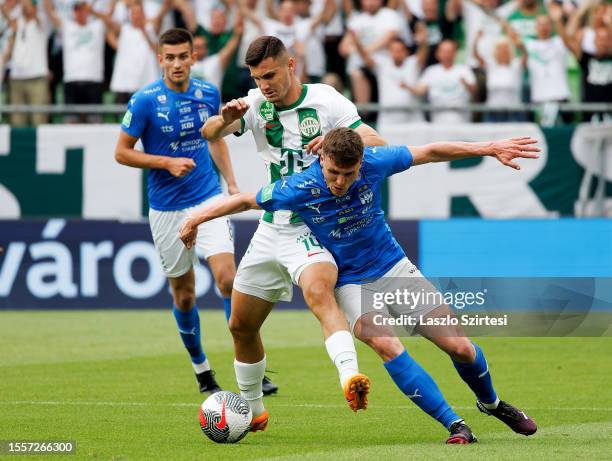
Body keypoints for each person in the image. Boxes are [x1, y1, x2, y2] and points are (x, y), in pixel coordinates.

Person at [180, 127, 540, 443]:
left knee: (460, 347)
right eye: (334, 173)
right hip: (350, 282)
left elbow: (430, 152)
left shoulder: (374, 162)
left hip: (393, 266)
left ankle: (492, 404)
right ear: (321, 160)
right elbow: (246, 200)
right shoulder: (299, 186)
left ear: (360, 163)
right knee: (387, 344)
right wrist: (197, 217)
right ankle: (455, 425)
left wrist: (489, 147)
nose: (339, 182)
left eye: (348, 174)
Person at [199, 36, 386, 430]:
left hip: (315, 226)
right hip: (271, 228)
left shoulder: (326, 100)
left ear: (291, 65)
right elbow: (209, 133)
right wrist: (227, 115)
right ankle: (253, 409)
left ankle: (350, 376)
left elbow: (374, 140)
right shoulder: (253, 104)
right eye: (256, 77)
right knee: (240, 325)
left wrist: (338, 142)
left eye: (270, 75)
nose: (264, 84)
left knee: (319, 294)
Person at [114, 28, 241, 396]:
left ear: (192, 57)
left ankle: (248, 363)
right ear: (160, 60)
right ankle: (202, 369)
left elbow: (215, 137)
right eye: (169, 57)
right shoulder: (144, 101)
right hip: (167, 209)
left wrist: (231, 183)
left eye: (182, 56)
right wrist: (165, 162)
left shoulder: (207, 93)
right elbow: (122, 151)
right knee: (184, 295)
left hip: (208, 198)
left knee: (228, 280)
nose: (176, 64)